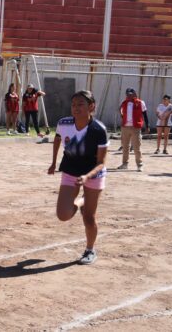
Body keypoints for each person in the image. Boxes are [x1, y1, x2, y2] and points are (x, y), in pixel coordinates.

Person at [48, 90, 108, 265]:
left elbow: (101, 162)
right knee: (63, 215)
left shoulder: (98, 130)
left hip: (93, 174)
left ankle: (90, 250)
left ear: (91, 107)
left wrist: (87, 177)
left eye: (80, 104)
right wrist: (53, 162)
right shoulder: (64, 123)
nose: (76, 108)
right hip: (70, 171)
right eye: (73, 104)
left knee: (89, 217)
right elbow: (57, 139)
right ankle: (82, 201)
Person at [118, 88, 149, 172]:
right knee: (125, 146)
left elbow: (145, 114)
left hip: (135, 127)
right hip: (125, 127)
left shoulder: (140, 102)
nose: (129, 96)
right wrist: (123, 118)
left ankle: (140, 164)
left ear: (134, 94)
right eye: (127, 94)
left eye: (130, 94)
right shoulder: (124, 103)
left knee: (137, 147)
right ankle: (125, 164)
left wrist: (147, 126)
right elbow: (120, 111)